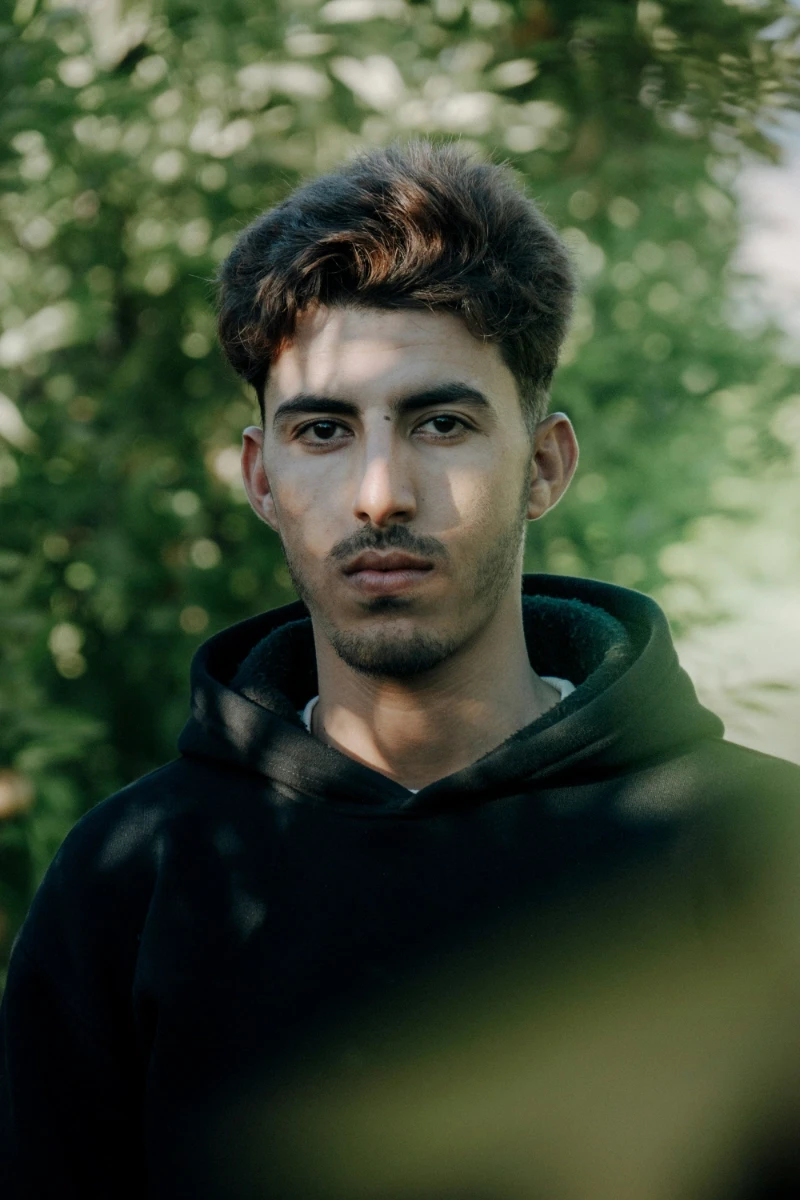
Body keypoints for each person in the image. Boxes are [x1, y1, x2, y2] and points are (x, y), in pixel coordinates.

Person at [2, 139, 799, 1200]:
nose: (380, 493)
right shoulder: (132, 881)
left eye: (441, 422)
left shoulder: (759, 851)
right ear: (261, 474)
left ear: (544, 464)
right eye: (324, 430)